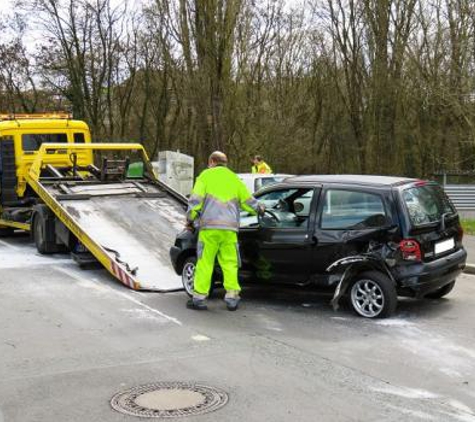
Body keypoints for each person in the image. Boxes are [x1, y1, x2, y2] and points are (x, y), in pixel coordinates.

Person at [186, 151, 263, 311]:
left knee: (205, 263)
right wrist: (260, 209)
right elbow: (248, 201)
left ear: (212, 161)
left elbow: (195, 201)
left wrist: (190, 219)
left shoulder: (205, 176)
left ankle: (199, 298)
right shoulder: (234, 178)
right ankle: (232, 297)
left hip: (209, 229)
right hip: (230, 230)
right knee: (230, 263)